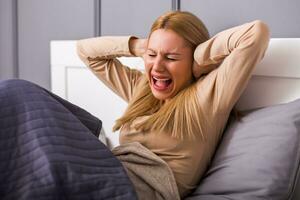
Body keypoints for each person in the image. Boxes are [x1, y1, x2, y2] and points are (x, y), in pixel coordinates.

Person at [77, 11, 269, 198]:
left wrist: (199, 58)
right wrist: (139, 46)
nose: (157, 67)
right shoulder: (141, 89)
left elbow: (256, 33)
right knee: (46, 102)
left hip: (137, 189)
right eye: (152, 55)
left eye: (171, 58)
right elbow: (85, 51)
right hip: (110, 169)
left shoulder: (205, 99)